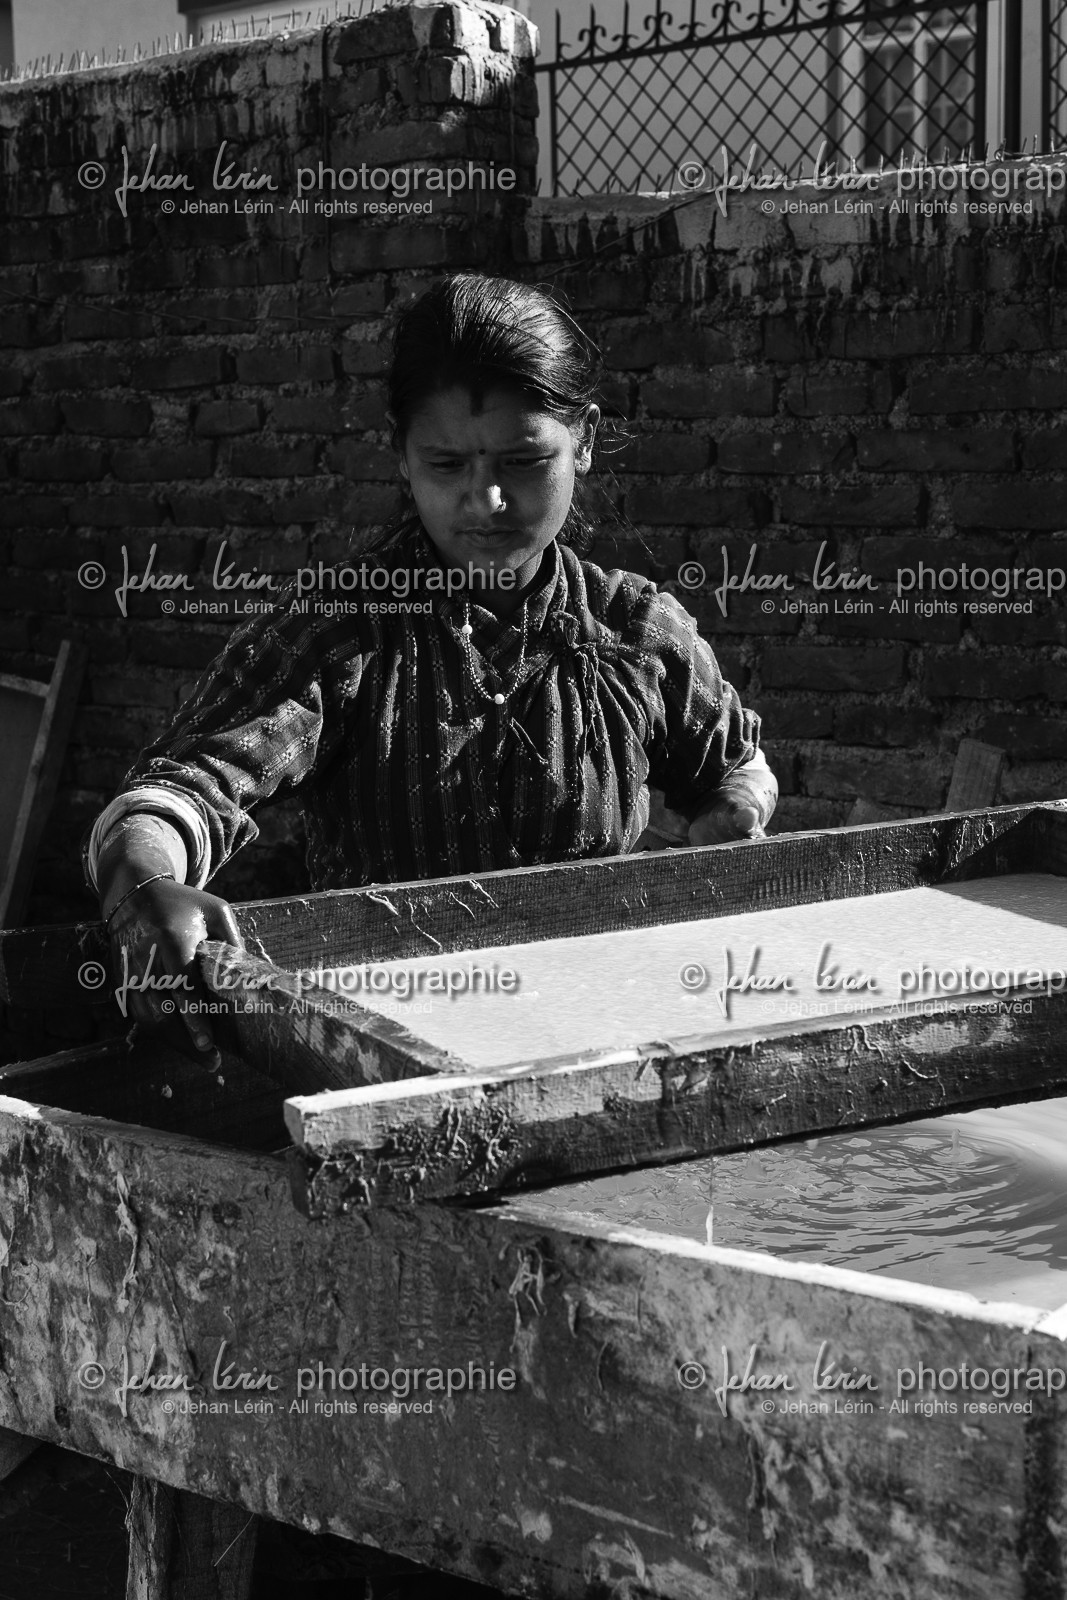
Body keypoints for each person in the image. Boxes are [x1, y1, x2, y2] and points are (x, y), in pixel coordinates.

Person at [85, 273, 777, 1057]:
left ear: (582, 440)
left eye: (522, 460)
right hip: (385, 1059)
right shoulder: (343, 631)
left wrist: (733, 810)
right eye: (446, 465)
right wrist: (142, 886)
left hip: (601, 1044)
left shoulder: (637, 631)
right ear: (401, 457)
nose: (485, 500)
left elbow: (736, 766)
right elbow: (176, 794)